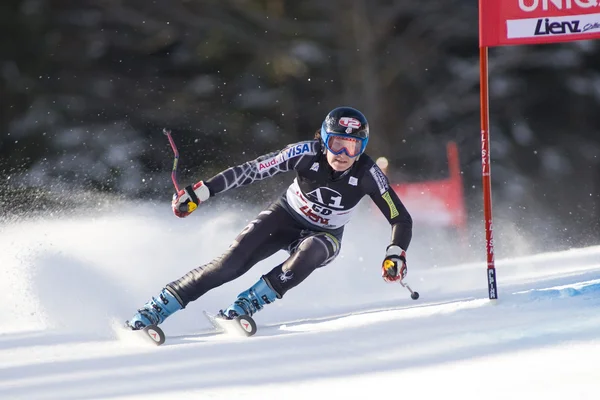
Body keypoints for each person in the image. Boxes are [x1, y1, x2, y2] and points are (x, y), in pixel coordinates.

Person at [126, 106, 413, 330]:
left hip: (325, 236)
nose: (343, 154)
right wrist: (202, 192)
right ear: (324, 140)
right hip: (284, 217)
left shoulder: (367, 173)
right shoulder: (304, 153)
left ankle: (246, 305)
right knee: (228, 267)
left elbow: (400, 217)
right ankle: (156, 309)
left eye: (353, 146)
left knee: (311, 250)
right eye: (337, 143)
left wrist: (395, 253)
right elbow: (253, 170)